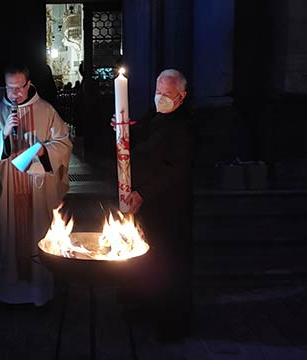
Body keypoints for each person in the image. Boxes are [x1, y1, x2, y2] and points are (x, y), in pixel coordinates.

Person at [0, 63, 72, 306]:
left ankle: (39, 295)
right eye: (10, 88)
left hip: (37, 190)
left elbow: (64, 143)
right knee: (8, 238)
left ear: (28, 84)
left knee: (38, 237)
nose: (15, 93)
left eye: (19, 88)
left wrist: (44, 150)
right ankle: (10, 295)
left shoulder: (47, 110)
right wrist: (2, 136)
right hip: (8, 189)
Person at [113, 68, 196, 339]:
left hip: (170, 208)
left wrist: (143, 193)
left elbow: (175, 169)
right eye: (158, 92)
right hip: (148, 206)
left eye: (167, 94)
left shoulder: (185, 125)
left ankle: (172, 324)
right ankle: (146, 308)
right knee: (148, 260)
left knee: (168, 265)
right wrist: (122, 128)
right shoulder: (155, 116)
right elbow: (141, 141)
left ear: (181, 96)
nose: (160, 98)